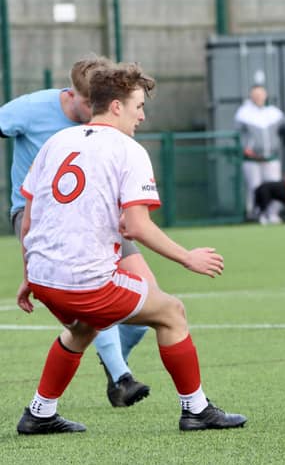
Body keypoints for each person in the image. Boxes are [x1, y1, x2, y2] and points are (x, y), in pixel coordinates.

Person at [15, 62, 247, 434]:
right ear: (117, 106)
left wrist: (29, 277)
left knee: (83, 327)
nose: (143, 115)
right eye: (139, 105)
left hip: (44, 277)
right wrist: (188, 257)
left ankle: (39, 413)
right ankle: (196, 410)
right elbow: (137, 227)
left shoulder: (56, 143)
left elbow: (29, 220)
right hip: (85, 281)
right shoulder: (129, 150)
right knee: (171, 311)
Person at [0, 56, 153, 408]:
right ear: (71, 96)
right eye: (88, 104)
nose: (93, 112)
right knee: (94, 300)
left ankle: (114, 366)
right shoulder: (32, 109)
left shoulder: (111, 133)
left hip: (99, 218)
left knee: (147, 303)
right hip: (39, 215)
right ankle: (121, 376)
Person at [234, 85, 285, 222]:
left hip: (271, 157)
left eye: (260, 94)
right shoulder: (244, 113)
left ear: (265, 95)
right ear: (251, 96)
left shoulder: (274, 112)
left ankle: (273, 214)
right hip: (252, 159)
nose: (258, 97)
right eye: (255, 95)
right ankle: (257, 214)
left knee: (274, 187)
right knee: (255, 187)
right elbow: (237, 135)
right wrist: (244, 148)